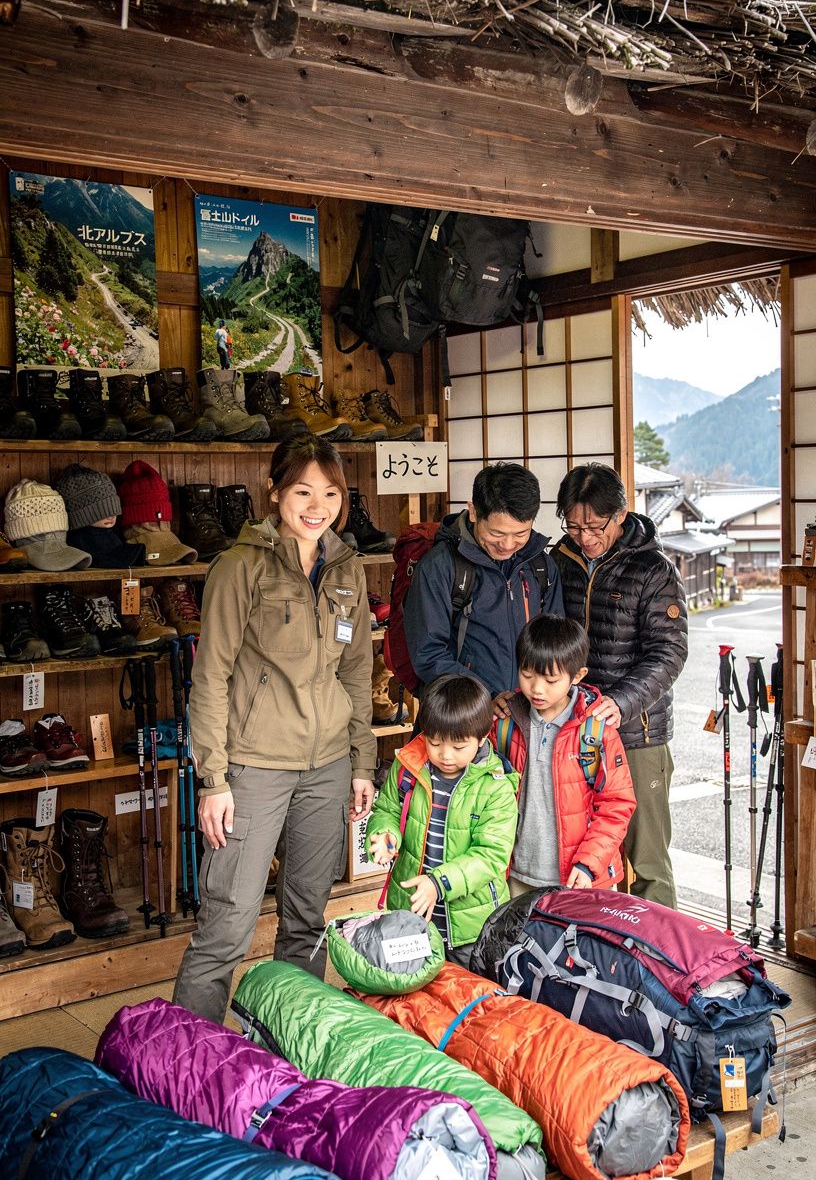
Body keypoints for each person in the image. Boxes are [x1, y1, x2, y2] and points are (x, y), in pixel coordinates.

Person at [173, 434, 376, 1024]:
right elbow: (210, 677)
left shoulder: (347, 569)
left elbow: (357, 672)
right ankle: (188, 1056)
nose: (318, 507)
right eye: (303, 492)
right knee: (227, 924)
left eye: (331, 494)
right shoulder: (241, 566)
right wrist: (214, 780)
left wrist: (362, 762)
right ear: (274, 492)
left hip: (328, 765)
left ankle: (289, 1048)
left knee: (307, 920)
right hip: (254, 767)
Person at [549, 463, 688, 908]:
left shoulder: (653, 568)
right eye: (574, 526)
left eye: (595, 526)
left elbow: (670, 652)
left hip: (636, 732)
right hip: (574, 728)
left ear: (621, 515)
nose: (585, 537)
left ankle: (659, 948)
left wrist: (621, 702)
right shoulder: (560, 561)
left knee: (647, 860)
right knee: (587, 853)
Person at [366, 673, 518, 968]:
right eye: (434, 742)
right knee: (411, 987)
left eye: (459, 747)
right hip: (411, 912)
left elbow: (491, 855)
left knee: (465, 990)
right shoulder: (408, 767)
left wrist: (439, 882)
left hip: (470, 926)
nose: (445, 755)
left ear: (482, 737)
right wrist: (384, 833)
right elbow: (387, 810)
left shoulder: (495, 786)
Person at [491, 615, 635, 895]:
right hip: (518, 875)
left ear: (577, 676)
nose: (537, 689)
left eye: (551, 680)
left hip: (581, 878)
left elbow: (617, 804)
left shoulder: (596, 731)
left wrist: (589, 863)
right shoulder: (505, 724)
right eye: (527, 675)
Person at [403, 463, 563, 701]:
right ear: (473, 512)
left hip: (529, 708)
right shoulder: (441, 566)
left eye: (520, 534)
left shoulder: (540, 565)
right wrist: (486, 697)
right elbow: (429, 654)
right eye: (497, 533)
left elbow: (556, 644)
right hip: (464, 711)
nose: (507, 545)